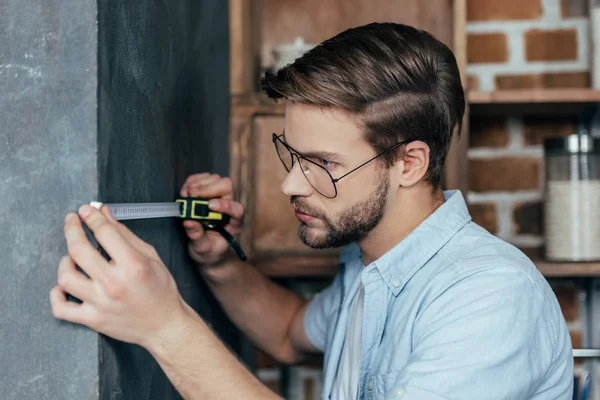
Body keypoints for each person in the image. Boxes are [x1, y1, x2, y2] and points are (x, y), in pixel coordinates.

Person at [50, 22, 574, 399]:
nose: (289, 184)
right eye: (294, 155)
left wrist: (165, 327)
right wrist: (220, 262)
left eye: (322, 163)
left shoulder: (488, 297)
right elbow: (289, 330)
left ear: (409, 162)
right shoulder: (373, 262)